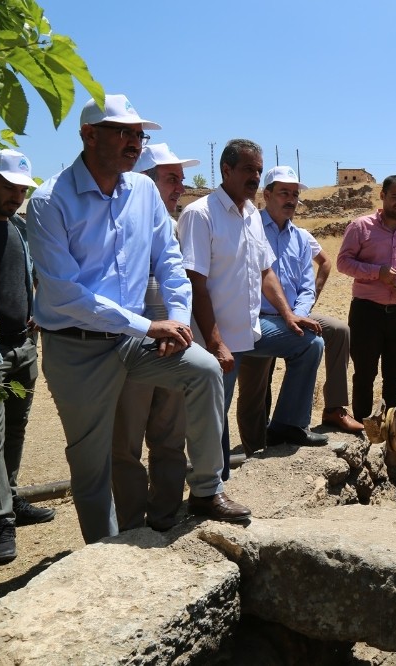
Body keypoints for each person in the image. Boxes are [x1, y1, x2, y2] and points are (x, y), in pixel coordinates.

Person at [25, 94, 251, 544]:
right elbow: (65, 293)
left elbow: (169, 261)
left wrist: (180, 322)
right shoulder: (49, 202)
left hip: (130, 340)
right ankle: (106, 554)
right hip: (78, 346)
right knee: (92, 462)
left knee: (203, 371)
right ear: (88, 135)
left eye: (137, 133)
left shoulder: (143, 191)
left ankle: (207, 489)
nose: (133, 141)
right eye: (122, 131)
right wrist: (148, 325)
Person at [177, 140, 326, 479]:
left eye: (258, 171)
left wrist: (289, 316)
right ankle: (212, 486)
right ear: (226, 170)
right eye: (248, 169)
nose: (255, 177)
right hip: (217, 338)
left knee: (309, 342)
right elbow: (196, 285)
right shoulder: (200, 215)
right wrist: (215, 344)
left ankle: (287, 425)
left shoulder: (250, 216)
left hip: (252, 330)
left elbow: (265, 272)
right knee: (215, 415)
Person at [236, 166, 363, 454]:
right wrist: (290, 317)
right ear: (266, 195)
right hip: (256, 317)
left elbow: (307, 285)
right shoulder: (248, 229)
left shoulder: (301, 238)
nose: (291, 199)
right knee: (253, 391)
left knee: (330, 333)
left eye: (294, 194)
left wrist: (301, 313)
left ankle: (297, 422)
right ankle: (255, 447)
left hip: (292, 315)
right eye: (284, 193)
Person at [110, 143, 199, 531]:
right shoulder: (119, 225)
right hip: (132, 348)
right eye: (172, 179)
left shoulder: (174, 226)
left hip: (173, 346)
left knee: (169, 441)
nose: (180, 187)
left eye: (181, 179)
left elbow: (180, 284)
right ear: (144, 181)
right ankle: (131, 529)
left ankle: (164, 519)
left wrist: (177, 327)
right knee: (126, 448)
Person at [0, 149, 55, 565]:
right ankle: (0, 523)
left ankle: (10, 499)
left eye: (21, 189)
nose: (15, 195)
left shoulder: (19, 228)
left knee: (15, 429)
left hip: (22, 347)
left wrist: (38, 312)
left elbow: (35, 276)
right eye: (7, 186)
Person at [336, 175, 396, 422]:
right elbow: (343, 262)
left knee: (395, 377)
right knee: (364, 374)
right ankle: (363, 430)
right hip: (367, 312)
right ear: (383, 196)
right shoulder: (360, 226)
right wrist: (378, 273)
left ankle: (391, 431)